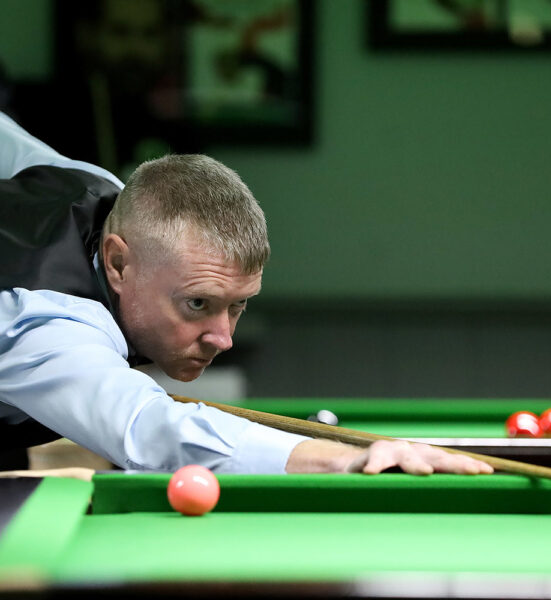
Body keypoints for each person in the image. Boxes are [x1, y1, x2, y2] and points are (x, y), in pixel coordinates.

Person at [0, 111, 493, 476]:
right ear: (118, 263)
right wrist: (341, 460)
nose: (223, 338)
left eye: (237, 305)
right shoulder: (48, 324)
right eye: (198, 303)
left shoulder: (99, 192)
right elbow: (147, 427)